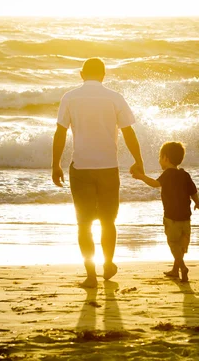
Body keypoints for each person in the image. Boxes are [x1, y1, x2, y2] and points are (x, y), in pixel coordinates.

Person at [52, 58, 144, 288]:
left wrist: (55, 164)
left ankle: (91, 275)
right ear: (104, 75)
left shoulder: (70, 97)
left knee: (83, 224)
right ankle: (108, 264)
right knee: (108, 221)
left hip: (81, 167)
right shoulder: (114, 97)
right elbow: (129, 132)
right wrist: (138, 160)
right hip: (108, 168)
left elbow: (60, 132)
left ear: (81, 74)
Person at [132, 141, 199, 283]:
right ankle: (175, 270)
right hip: (186, 218)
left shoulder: (167, 174)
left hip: (171, 218)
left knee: (173, 244)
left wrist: (141, 177)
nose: (159, 160)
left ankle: (183, 267)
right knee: (181, 246)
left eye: (160, 157)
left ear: (165, 158)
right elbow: (193, 192)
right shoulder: (185, 175)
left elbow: (154, 184)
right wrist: (198, 205)